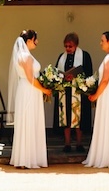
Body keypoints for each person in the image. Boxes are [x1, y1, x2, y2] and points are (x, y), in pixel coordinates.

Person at [83, 31, 109, 168]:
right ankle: (105, 154)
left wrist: (95, 95)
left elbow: (105, 80)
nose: (100, 43)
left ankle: (107, 156)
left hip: (108, 93)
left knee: (108, 121)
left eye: (102, 40)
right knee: (106, 122)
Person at [9, 31, 50, 169]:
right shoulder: (25, 57)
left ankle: (29, 156)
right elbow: (30, 78)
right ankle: (27, 158)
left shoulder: (22, 55)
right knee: (28, 121)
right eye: (35, 40)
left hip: (28, 89)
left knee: (30, 121)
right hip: (29, 90)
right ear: (29, 41)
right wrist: (45, 90)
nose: (36, 42)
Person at [53, 33, 94, 153]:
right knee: (66, 118)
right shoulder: (62, 57)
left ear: (76, 45)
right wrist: (63, 76)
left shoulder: (85, 56)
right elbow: (57, 71)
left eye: (70, 46)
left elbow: (88, 72)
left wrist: (76, 76)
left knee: (78, 118)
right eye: (66, 46)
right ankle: (67, 143)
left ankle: (79, 143)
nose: (67, 49)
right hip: (65, 91)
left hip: (79, 92)